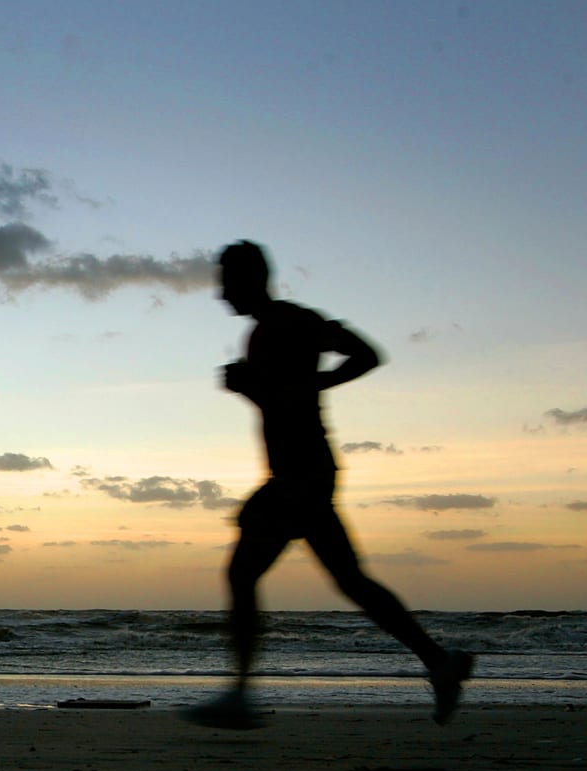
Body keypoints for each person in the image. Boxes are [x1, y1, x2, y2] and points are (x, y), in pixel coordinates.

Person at [186, 241, 473, 729]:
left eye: (226, 281)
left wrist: (293, 386)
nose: (219, 293)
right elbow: (303, 387)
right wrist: (260, 388)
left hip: (302, 472)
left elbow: (356, 361)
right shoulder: (272, 329)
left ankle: (238, 694)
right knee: (349, 579)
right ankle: (438, 662)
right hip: (304, 470)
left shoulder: (286, 322)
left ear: (250, 280)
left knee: (244, 572)